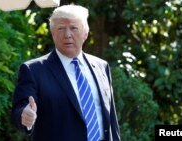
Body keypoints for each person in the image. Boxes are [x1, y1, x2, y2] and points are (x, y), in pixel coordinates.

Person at [11, 4, 121, 141]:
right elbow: (19, 110)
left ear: (85, 33)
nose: (67, 35)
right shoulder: (33, 70)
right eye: (61, 28)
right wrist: (24, 116)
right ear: (53, 34)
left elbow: (111, 120)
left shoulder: (101, 66)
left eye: (74, 28)